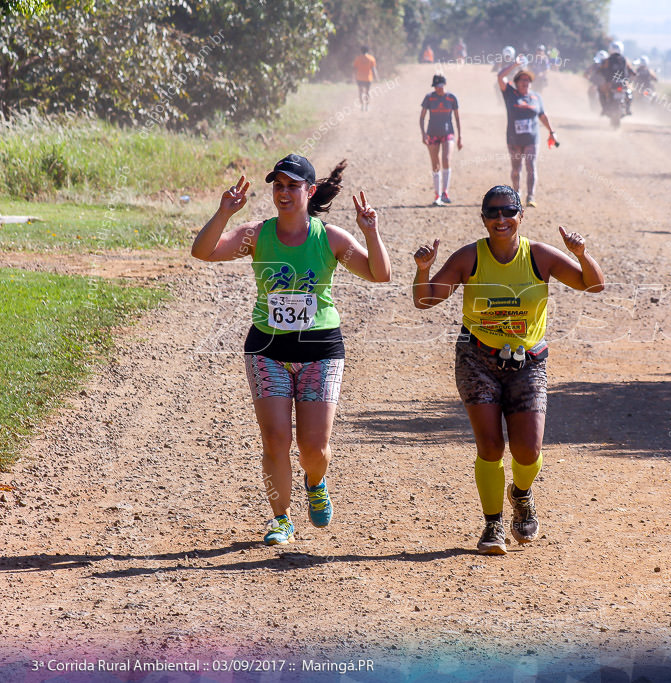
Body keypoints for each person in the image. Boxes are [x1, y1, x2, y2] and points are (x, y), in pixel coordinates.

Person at [190, 155, 392, 546]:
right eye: (278, 185)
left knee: (313, 448)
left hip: (321, 350)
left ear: (309, 191)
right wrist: (223, 213)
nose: (283, 193)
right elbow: (203, 251)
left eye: (292, 186)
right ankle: (280, 518)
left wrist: (370, 232)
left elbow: (380, 274)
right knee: (275, 440)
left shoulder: (329, 238)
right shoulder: (255, 235)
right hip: (267, 348)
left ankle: (315, 482)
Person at [411, 185, 605, 555]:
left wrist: (581, 254)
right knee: (490, 446)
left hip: (528, 361)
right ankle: (493, 524)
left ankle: (522, 494)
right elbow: (425, 300)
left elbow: (593, 284)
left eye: (508, 211)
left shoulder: (541, 256)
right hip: (477, 357)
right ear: (483, 219)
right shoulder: (469, 258)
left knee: (528, 451)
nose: (501, 219)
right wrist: (424, 270)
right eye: (493, 213)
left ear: (520, 215)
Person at [496, 57, 558, 207]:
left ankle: (530, 196)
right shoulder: (510, 93)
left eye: (528, 80)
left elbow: (542, 115)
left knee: (531, 166)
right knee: (516, 169)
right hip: (514, 139)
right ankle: (516, 194)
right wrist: (515, 64)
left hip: (532, 138)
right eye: (522, 80)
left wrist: (552, 131)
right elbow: (500, 77)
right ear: (516, 82)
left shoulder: (536, 97)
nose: (525, 82)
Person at [420, 74, 463, 206]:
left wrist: (460, 136)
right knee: (435, 164)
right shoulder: (429, 98)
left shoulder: (451, 98)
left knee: (446, 159)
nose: (438, 89)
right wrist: (423, 134)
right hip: (432, 133)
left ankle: (445, 192)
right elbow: (422, 117)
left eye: (440, 86)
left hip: (448, 133)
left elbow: (457, 118)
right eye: (436, 86)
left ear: (444, 84)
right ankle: (437, 195)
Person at [598, 41, 635, 115]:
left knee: (601, 91)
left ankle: (604, 109)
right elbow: (632, 71)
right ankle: (628, 109)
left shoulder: (607, 60)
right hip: (623, 82)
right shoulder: (625, 59)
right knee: (630, 92)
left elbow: (600, 70)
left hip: (610, 83)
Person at [352, 46, 378, 113]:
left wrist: (353, 77)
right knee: (367, 92)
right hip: (368, 78)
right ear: (368, 51)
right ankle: (367, 106)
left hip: (359, 77)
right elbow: (373, 69)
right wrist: (376, 77)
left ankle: (362, 106)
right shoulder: (371, 58)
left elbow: (355, 68)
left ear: (361, 51)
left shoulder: (358, 58)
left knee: (360, 92)